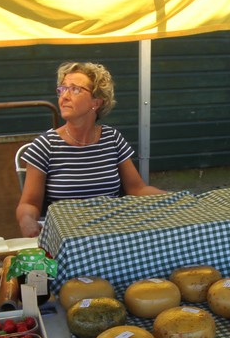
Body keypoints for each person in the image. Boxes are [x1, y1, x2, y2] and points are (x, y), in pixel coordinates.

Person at [16, 62, 163, 237]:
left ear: (96, 102)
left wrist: (177, 199)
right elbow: (29, 204)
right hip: (68, 237)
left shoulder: (112, 138)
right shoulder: (45, 146)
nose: (64, 97)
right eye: (62, 89)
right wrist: (27, 220)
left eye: (75, 89)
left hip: (112, 233)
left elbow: (137, 189)